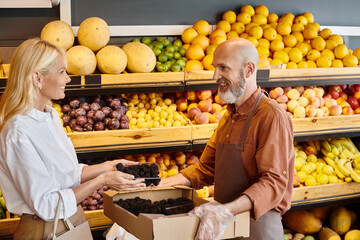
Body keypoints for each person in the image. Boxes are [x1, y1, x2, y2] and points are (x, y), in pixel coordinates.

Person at [0, 38, 146, 240]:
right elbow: (47, 205)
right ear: (37, 78)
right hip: (44, 229)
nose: (68, 79)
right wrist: (102, 181)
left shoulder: (49, 116)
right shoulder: (17, 131)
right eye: (61, 72)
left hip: (71, 220)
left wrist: (108, 166)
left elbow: (64, 175)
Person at [159, 38, 295, 240]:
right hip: (224, 225)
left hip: (257, 229)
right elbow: (204, 169)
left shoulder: (271, 116)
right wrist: (157, 185)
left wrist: (226, 210)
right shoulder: (228, 117)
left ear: (249, 70)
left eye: (223, 68)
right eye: (215, 68)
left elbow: (274, 183)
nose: (215, 76)